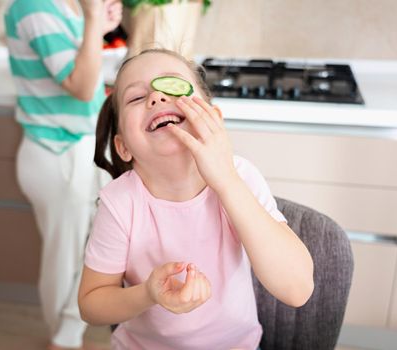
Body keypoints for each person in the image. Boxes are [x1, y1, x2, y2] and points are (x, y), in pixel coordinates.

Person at [78, 49, 314, 349]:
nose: (157, 98)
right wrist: (148, 293)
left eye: (172, 86)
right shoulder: (120, 202)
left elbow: (297, 289)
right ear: (124, 147)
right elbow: (91, 304)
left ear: (213, 118)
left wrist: (226, 180)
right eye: (137, 98)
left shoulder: (241, 176)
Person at [4, 0, 122, 349]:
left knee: (93, 252)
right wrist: (91, 19)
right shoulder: (33, 7)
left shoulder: (64, 5)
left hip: (82, 148)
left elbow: (81, 67)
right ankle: (64, 339)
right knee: (66, 258)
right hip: (58, 153)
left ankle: (69, 335)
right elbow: (82, 87)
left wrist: (95, 26)